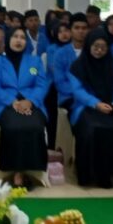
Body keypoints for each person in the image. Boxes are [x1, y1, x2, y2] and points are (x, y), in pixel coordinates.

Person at [69, 29, 113, 188]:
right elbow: (78, 91)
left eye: (103, 47)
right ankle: (99, 174)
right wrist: (96, 103)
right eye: (96, 46)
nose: (99, 50)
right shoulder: (78, 66)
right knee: (94, 128)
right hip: (89, 106)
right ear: (89, 46)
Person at [0, 28, 50, 187]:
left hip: (31, 103)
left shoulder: (35, 61)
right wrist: (13, 102)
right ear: (7, 39)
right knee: (14, 126)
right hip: (4, 104)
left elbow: (42, 85)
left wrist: (30, 101)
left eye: (22, 37)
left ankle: (31, 169)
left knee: (34, 125)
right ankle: (15, 171)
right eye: (15, 36)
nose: (19, 40)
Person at [44, 20, 71, 150]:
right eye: (60, 32)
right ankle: (52, 145)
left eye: (66, 30)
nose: (64, 34)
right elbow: (54, 68)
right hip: (54, 85)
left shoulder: (74, 48)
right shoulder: (52, 49)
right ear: (55, 34)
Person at [53, 12, 89, 111]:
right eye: (77, 28)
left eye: (84, 28)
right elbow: (60, 83)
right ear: (70, 31)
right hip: (69, 97)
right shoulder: (60, 54)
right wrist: (81, 93)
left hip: (92, 96)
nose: (81, 31)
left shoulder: (93, 52)